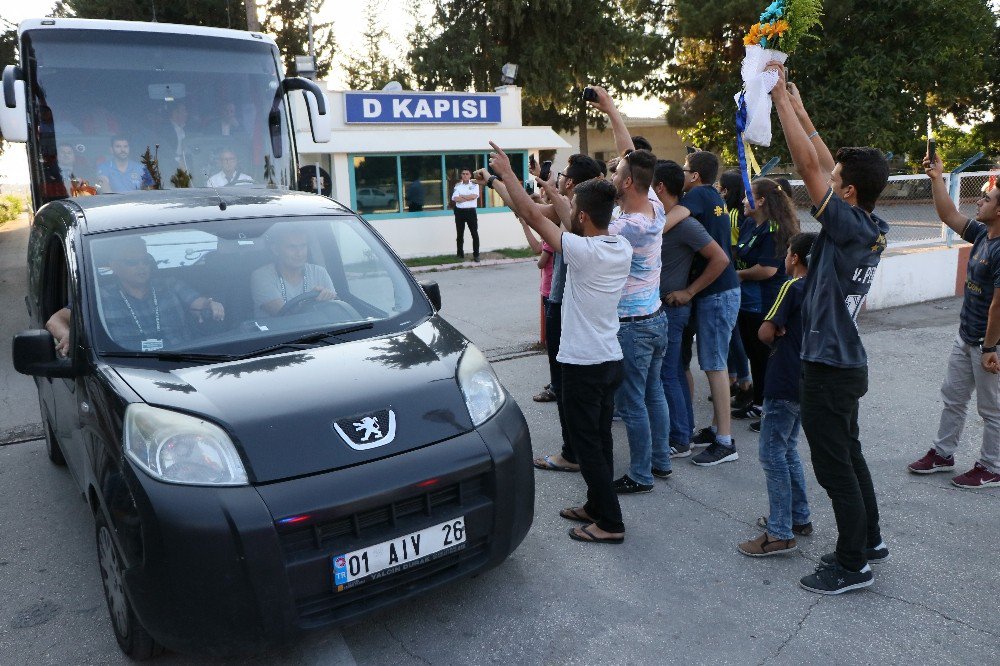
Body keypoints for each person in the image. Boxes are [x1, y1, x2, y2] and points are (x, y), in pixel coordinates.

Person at [770, 64, 890, 594]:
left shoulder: (844, 225)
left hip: (829, 367)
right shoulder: (867, 223)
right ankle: (871, 539)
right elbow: (822, 161)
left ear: (847, 193)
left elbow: (807, 166)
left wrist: (775, 99)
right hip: (846, 364)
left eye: (837, 180)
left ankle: (851, 563)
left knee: (833, 466)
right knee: (851, 455)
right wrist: (798, 106)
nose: (829, 178)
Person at [489, 140, 632, 544]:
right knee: (600, 438)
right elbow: (567, 213)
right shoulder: (618, 245)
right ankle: (596, 505)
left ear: (583, 215)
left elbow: (532, 214)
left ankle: (611, 524)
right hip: (608, 361)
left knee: (587, 445)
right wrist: (550, 186)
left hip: (584, 365)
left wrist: (509, 177)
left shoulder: (582, 251)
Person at [476, 154, 604, 472]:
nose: (558, 178)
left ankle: (572, 453)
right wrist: (495, 181)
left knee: (566, 386)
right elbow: (524, 207)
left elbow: (528, 212)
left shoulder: (573, 217)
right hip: (574, 309)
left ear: (571, 183)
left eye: (562, 175)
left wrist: (503, 175)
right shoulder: (586, 213)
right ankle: (583, 449)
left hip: (564, 308)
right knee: (577, 388)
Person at [586, 86, 670, 493]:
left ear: (628, 184)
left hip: (633, 326)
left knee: (632, 402)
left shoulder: (624, 228)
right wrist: (610, 109)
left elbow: (579, 230)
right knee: (653, 392)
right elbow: (629, 153)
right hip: (655, 318)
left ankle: (640, 475)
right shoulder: (652, 204)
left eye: (616, 174)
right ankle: (661, 461)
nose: (612, 175)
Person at [906, 154, 1000, 489]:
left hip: (990, 345)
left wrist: (990, 348)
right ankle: (943, 454)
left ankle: (992, 467)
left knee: (992, 410)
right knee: (954, 397)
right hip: (967, 336)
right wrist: (937, 178)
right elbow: (948, 214)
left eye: (986, 198)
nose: (979, 200)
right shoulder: (982, 234)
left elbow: (998, 306)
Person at [738, 232, 817, 557]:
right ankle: (798, 517)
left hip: (783, 377)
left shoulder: (793, 286)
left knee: (773, 453)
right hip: (805, 380)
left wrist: (774, 332)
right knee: (787, 449)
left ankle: (780, 532)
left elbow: (765, 331)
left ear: (795, 258)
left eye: (788, 253)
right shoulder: (824, 289)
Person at [653, 160, 730, 459]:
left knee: (669, 373)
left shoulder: (685, 222)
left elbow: (720, 259)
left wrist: (688, 292)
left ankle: (681, 438)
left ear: (660, 187)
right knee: (674, 370)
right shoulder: (667, 217)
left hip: (675, 309)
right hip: (667, 309)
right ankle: (682, 431)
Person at [679, 150, 743, 466]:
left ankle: (725, 441)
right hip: (724, 291)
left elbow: (674, 218)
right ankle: (717, 427)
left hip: (716, 293)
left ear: (695, 176)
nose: (682, 173)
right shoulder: (712, 196)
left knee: (714, 364)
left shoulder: (698, 195)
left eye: (685, 169)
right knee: (713, 361)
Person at [733, 178, 799, 428]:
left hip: (765, 301)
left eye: (747, 195)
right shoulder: (751, 223)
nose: (742, 200)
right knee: (755, 354)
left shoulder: (773, 230)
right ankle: (759, 402)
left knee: (766, 356)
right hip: (749, 301)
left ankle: (772, 409)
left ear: (760, 201)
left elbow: (767, 270)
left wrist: (738, 275)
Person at [98, 236, 223, 350]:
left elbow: (198, 302)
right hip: (127, 366)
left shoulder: (170, 285)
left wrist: (210, 305)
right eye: (132, 262)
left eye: (145, 260)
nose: (141, 266)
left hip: (183, 359)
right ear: (114, 266)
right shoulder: (101, 298)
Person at [719, 169, 753, 408]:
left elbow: (730, 252)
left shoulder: (732, 215)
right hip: (742, 279)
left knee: (735, 336)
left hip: (737, 278)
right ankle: (735, 381)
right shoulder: (740, 213)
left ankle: (744, 384)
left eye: (721, 188)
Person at [251, 225, 337, 318]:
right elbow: (284, 315)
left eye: (303, 246)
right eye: (292, 247)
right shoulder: (261, 276)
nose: (299, 253)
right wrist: (313, 300)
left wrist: (328, 297)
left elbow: (334, 310)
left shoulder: (320, 272)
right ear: (276, 250)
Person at [451, 168, 480, 261]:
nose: (465, 175)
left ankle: (476, 255)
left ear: (470, 175)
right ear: (461, 175)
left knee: (474, 234)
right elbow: (455, 198)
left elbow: (474, 196)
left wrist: (462, 196)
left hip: (471, 212)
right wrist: (467, 197)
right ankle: (460, 254)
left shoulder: (475, 185)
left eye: (467, 174)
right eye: (463, 174)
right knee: (460, 234)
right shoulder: (458, 186)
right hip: (459, 212)